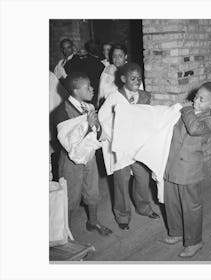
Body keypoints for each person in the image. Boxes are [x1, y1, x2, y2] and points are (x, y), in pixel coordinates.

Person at [162, 82, 211, 258]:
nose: (195, 101)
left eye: (201, 99)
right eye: (196, 96)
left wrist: (186, 109)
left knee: (191, 207)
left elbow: (194, 129)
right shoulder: (188, 113)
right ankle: (176, 231)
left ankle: (194, 241)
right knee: (171, 202)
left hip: (189, 170)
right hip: (172, 165)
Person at [98, 62, 160, 231]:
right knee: (121, 180)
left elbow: (149, 118)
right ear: (123, 79)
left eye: (139, 78)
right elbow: (102, 120)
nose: (137, 81)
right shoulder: (114, 97)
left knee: (142, 177)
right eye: (133, 78)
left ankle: (144, 207)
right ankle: (122, 215)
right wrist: (116, 135)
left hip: (138, 146)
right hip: (120, 147)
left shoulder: (145, 96)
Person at [54, 72, 112, 236]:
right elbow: (66, 141)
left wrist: (99, 127)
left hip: (89, 157)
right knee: (70, 197)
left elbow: (98, 131)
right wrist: (87, 125)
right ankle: (64, 233)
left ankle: (93, 222)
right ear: (75, 90)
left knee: (93, 191)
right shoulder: (62, 112)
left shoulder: (89, 107)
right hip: (70, 162)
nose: (92, 89)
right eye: (88, 87)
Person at [98, 43, 143, 108]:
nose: (117, 59)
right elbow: (101, 94)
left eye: (120, 56)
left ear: (125, 57)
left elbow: (140, 94)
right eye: (114, 56)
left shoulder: (133, 71)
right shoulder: (107, 72)